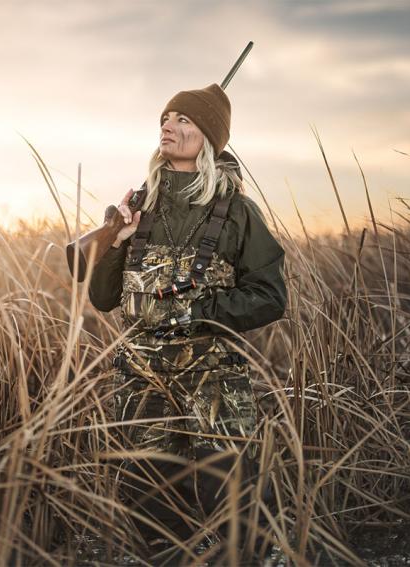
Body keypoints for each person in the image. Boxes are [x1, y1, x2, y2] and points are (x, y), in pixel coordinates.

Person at [88, 84, 287, 560]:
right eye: (167, 117)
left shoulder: (238, 211)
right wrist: (118, 242)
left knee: (233, 493)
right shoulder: (135, 207)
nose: (169, 126)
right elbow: (102, 297)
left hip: (213, 373)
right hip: (141, 375)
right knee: (148, 496)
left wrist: (201, 311)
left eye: (184, 121)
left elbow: (270, 296)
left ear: (209, 141)